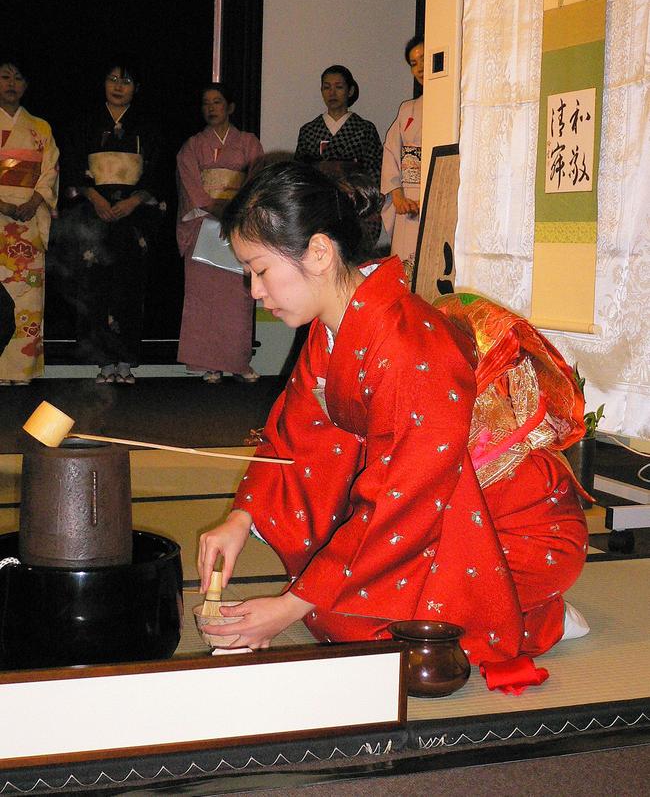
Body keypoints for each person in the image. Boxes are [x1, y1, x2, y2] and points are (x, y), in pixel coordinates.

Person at [196, 162, 589, 684]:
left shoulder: (410, 344)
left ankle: (538, 613)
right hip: (439, 505)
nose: (254, 290)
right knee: (327, 598)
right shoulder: (332, 327)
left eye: (261, 270)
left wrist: (289, 607)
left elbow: (406, 495)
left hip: (513, 525)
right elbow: (296, 439)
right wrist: (241, 518)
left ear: (318, 252)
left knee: (349, 625)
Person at [64, 57, 163, 384]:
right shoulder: (86, 122)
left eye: (126, 81)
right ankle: (103, 361)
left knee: (130, 285)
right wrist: (93, 196)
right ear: (103, 84)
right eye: (113, 79)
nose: (119, 87)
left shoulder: (147, 125)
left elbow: (157, 170)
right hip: (95, 211)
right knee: (94, 285)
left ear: (137, 88)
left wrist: (136, 199)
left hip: (133, 214)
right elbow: (74, 164)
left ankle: (125, 360)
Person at [176, 83, 264, 384]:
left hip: (238, 223)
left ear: (230, 107)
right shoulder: (192, 145)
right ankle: (208, 363)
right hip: (203, 223)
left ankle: (238, 361)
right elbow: (190, 183)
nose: (211, 108)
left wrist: (235, 209)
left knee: (237, 296)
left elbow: (255, 179)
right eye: (206, 103)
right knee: (205, 296)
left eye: (217, 101)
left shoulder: (249, 143)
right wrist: (212, 206)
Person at [0, 55, 59, 385]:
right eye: (5, 77)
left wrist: (36, 198)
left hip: (28, 219)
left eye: (18, 78)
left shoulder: (40, 128)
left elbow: (50, 171)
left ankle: (21, 370)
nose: (11, 84)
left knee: (29, 295)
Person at [295, 65, 383, 188]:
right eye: (326, 87)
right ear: (321, 91)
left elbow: (375, 172)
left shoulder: (365, 129)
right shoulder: (309, 130)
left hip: (354, 197)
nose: (332, 93)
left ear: (350, 91)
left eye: (339, 87)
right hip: (318, 199)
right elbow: (299, 174)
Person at [381, 35, 425, 276]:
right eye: (413, 63)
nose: (418, 68)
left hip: (434, 199)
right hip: (406, 201)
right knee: (406, 271)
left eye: (423, 60)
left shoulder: (454, 108)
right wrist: (397, 197)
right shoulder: (407, 109)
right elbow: (391, 152)